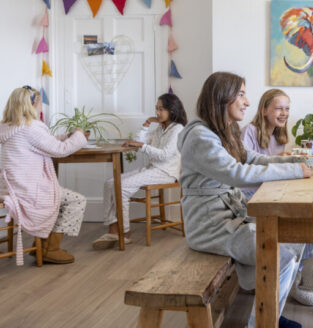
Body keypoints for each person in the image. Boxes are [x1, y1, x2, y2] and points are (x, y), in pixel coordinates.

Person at [178, 72, 312, 328]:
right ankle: (261, 322)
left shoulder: (224, 130)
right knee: (280, 254)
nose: (247, 102)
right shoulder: (200, 137)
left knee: (294, 236)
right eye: (241, 94)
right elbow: (237, 173)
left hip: (228, 216)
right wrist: (295, 170)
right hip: (210, 226)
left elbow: (253, 158)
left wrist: (295, 160)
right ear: (221, 97)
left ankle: (270, 316)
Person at [240, 89, 313, 307]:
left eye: (287, 108)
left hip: (270, 191)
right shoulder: (249, 131)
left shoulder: (279, 135)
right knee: (295, 220)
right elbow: (243, 166)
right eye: (278, 108)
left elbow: (274, 167)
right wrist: (279, 159)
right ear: (264, 110)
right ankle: (295, 282)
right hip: (250, 195)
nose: (284, 113)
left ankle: (304, 275)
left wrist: (286, 159)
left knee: (309, 209)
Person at [0, 86, 88, 265]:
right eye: (40, 103)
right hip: (26, 191)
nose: (41, 107)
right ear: (31, 105)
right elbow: (61, 150)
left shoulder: (7, 127)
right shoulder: (30, 128)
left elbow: (40, 143)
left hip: (8, 188)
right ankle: (50, 249)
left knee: (61, 197)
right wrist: (79, 135)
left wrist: (65, 136)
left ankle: (43, 245)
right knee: (76, 200)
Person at [92, 93, 187, 249]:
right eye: (156, 109)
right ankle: (113, 227)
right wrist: (147, 123)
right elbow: (140, 141)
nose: (157, 113)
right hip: (152, 169)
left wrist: (141, 146)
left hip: (166, 173)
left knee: (122, 187)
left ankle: (124, 232)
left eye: (161, 109)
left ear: (172, 109)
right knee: (110, 183)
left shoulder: (178, 129)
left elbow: (163, 155)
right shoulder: (160, 129)